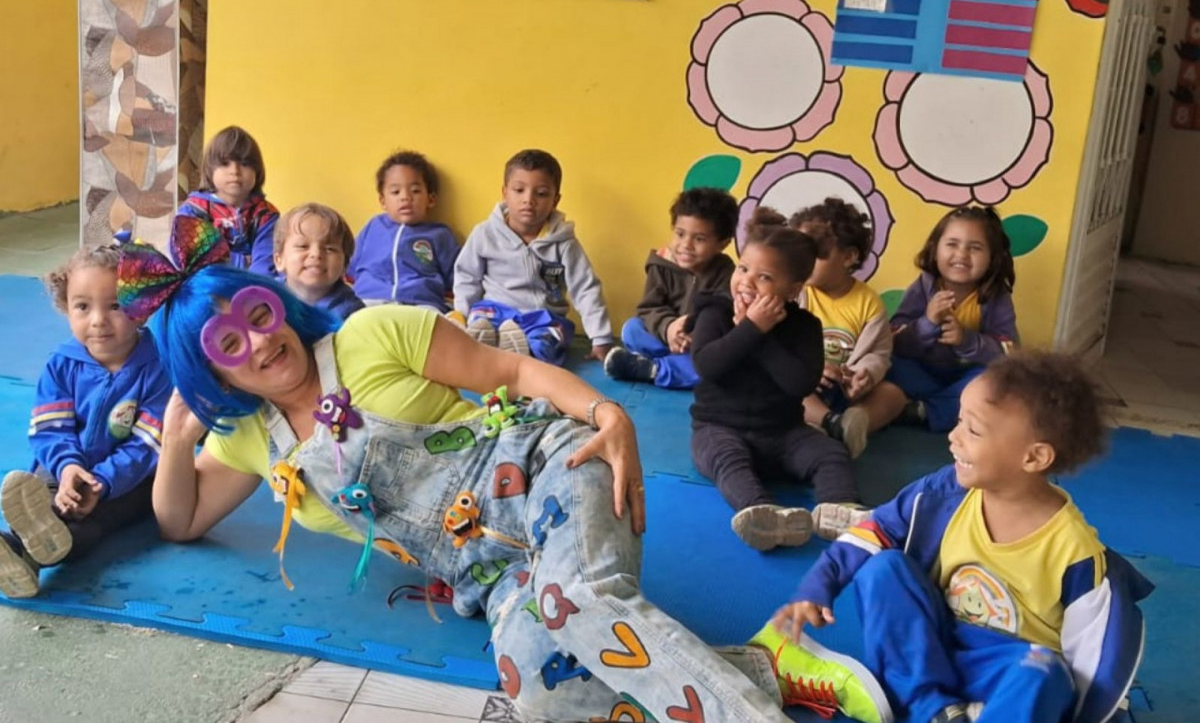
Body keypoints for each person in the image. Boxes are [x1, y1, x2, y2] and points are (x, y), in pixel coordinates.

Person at [118, 219, 838, 723]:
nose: (260, 343)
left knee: (577, 602)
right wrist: (177, 443)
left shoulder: (370, 334)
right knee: (535, 688)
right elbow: (179, 521)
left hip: (552, 469)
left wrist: (607, 417)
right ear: (211, 369)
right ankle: (759, 671)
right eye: (229, 344)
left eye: (258, 314)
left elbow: (514, 368)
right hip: (489, 574)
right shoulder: (254, 440)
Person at [760, 351, 1153, 723]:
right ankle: (933, 709)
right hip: (929, 647)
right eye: (959, 420)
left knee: (1043, 674)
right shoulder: (944, 493)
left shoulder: (1075, 552)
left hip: (1006, 670)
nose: (953, 436)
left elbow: (1101, 659)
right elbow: (873, 530)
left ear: (1033, 458)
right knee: (882, 569)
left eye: (973, 429)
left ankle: (985, 710)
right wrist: (817, 587)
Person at [0, 245, 170, 598]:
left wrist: (102, 482)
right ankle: (21, 550)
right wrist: (67, 469)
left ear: (141, 308)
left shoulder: (157, 369)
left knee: (92, 524)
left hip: (130, 482)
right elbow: (50, 429)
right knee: (49, 501)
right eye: (83, 306)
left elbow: (147, 444)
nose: (97, 320)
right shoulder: (62, 365)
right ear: (66, 308)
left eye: (115, 306)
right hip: (63, 471)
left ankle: (26, 550)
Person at [689, 208, 864, 549]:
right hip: (718, 428)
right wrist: (749, 330)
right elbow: (707, 365)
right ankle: (762, 512)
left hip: (783, 433)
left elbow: (799, 383)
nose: (746, 282)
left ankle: (840, 509)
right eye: (742, 269)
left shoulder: (805, 327)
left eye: (765, 277)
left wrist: (761, 334)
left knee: (830, 453)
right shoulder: (715, 311)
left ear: (794, 288)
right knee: (728, 461)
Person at [454, 149, 613, 364]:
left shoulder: (564, 243)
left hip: (543, 318)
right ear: (504, 193)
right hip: (495, 311)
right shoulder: (485, 234)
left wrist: (600, 337)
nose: (528, 200)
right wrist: (461, 316)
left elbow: (585, 288)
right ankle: (488, 342)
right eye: (519, 190)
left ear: (555, 200)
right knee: (480, 322)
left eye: (541, 193)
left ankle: (520, 349)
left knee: (546, 343)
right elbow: (467, 277)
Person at [791, 197, 906, 459]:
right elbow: (781, 344)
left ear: (849, 257)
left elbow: (878, 352)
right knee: (788, 391)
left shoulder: (868, 303)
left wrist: (862, 375)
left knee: (894, 395)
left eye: (816, 254)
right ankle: (829, 424)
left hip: (845, 389)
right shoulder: (796, 294)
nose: (803, 262)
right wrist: (809, 370)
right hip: (806, 382)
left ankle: (856, 423)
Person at [889, 206, 1018, 432]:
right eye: (952, 244)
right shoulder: (923, 286)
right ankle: (939, 409)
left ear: (992, 257)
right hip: (921, 373)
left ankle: (923, 411)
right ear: (934, 249)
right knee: (887, 363)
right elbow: (897, 343)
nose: (961, 255)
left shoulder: (995, 296)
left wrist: (966, 341)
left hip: (966, 380)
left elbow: (1008, 351)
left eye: (975, 248)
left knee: (1000, 381)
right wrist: (927, 323)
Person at [604, 187, 736, 389]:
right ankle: (664, 365)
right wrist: (669, 328)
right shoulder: (661, 264)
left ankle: (652, 369)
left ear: (722, 244)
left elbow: (723, 314)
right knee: (632, 329)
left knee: (712, 367)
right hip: (663, 337)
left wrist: (694, 331)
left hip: (696, 344)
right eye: (680, 234)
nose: (686, 245)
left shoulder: (726, 273)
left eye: (699, 239)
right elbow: (649, 308)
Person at [347, 151, 459, 312]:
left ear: (431, 199)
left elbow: (457, 277)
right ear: (383, 201)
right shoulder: (374, 227)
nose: (405, 197)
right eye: (395, 192)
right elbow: (349, 266)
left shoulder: (440, 234)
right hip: (370, 301)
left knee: (440, 324)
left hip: (420, 304)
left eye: (415, 191)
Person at [176, 125, 279, 276]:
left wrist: (254, 293)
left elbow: (265, 262)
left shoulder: (266, 215)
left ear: (257, 170)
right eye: (225, 163)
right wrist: (241, 262)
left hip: (251, 286)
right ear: (210, 170)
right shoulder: (193, 210)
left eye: (244, 164)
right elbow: (190, 257)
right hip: (205, 284)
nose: (235, 171)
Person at [273, 202, 363, 319]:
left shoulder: (352, 314)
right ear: (279, 260)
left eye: (330, 249)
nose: (316, 254)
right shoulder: (264, 299)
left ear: (344, 265)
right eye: (302, 246)